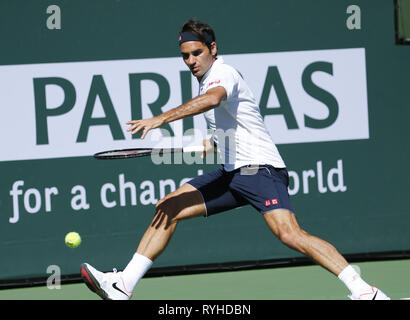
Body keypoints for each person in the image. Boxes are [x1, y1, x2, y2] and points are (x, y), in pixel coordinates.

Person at [80, 19, 390, 300]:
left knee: (289, 234)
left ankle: (365, 292)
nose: (190, 61)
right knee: (169, 206)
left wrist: (161, 119)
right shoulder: (206, 80)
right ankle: (123, 285)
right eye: (185, 55)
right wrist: (209, 145)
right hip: (232, 173)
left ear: (212, 49)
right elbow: (221, 138)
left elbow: (212, 100)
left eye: (196, 53)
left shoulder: (223, 74)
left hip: (259, 169)